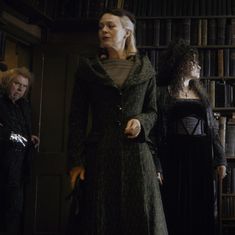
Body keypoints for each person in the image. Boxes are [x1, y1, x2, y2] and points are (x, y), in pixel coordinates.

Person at [67, 8, 168, 235]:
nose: (103, 30)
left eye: (110, 26)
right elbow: (77, 118)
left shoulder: (145, 69)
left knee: (141, 220)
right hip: (100, 156)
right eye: (101, 26)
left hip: (138, 159)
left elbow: (152, 111)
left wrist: (141, 122)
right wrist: (76, 161)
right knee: (100, 220)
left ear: (127, 32)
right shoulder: (88, 69)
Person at [155, 39, 227, 235]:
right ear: (180, 62)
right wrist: (157, 165)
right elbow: (156, 132)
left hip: (201, 156)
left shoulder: (200, 93)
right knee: (174, 205)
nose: (199, 66)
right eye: (193, 61)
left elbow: (212, 130)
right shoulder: (162, 92)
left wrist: (220, 159)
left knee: (201, 204)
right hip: (174, 156)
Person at [0, 67, 39, 235]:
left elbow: (23, 131)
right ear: (8, 83)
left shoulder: (24, 105)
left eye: (24, 86)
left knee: (14, 213)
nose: (20, 89)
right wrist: (18, 138)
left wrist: (30, 137)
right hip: (2, 166)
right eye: (17, 83)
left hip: (19, 170)